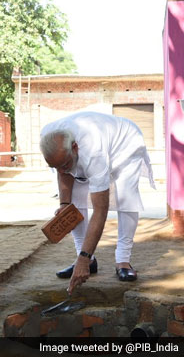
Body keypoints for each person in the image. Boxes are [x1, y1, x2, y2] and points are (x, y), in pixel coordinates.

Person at [39, 111, 155, 294]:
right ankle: (87, 259)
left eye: (65, 164)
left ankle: (123, 261)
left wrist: (82, 260)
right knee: (74, 205)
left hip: (125, 145)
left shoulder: (93, 152)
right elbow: (64, 172)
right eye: (56, 167)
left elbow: (101, 210)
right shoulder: (49, 137)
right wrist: (64, 205)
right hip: (89, 145)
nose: (61, 170)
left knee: (126, 198)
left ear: (75, 147)